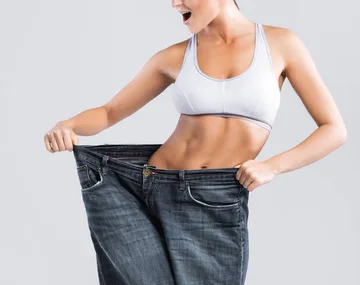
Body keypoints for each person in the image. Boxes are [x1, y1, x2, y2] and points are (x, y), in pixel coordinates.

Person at [43, 0, 347, 284]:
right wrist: (67, 125)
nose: (175, 3)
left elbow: (334, 129)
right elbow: (109, 113)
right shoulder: (175, 56)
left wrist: (273, 167)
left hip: (214, 199)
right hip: (141, 188)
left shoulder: (282, 44)